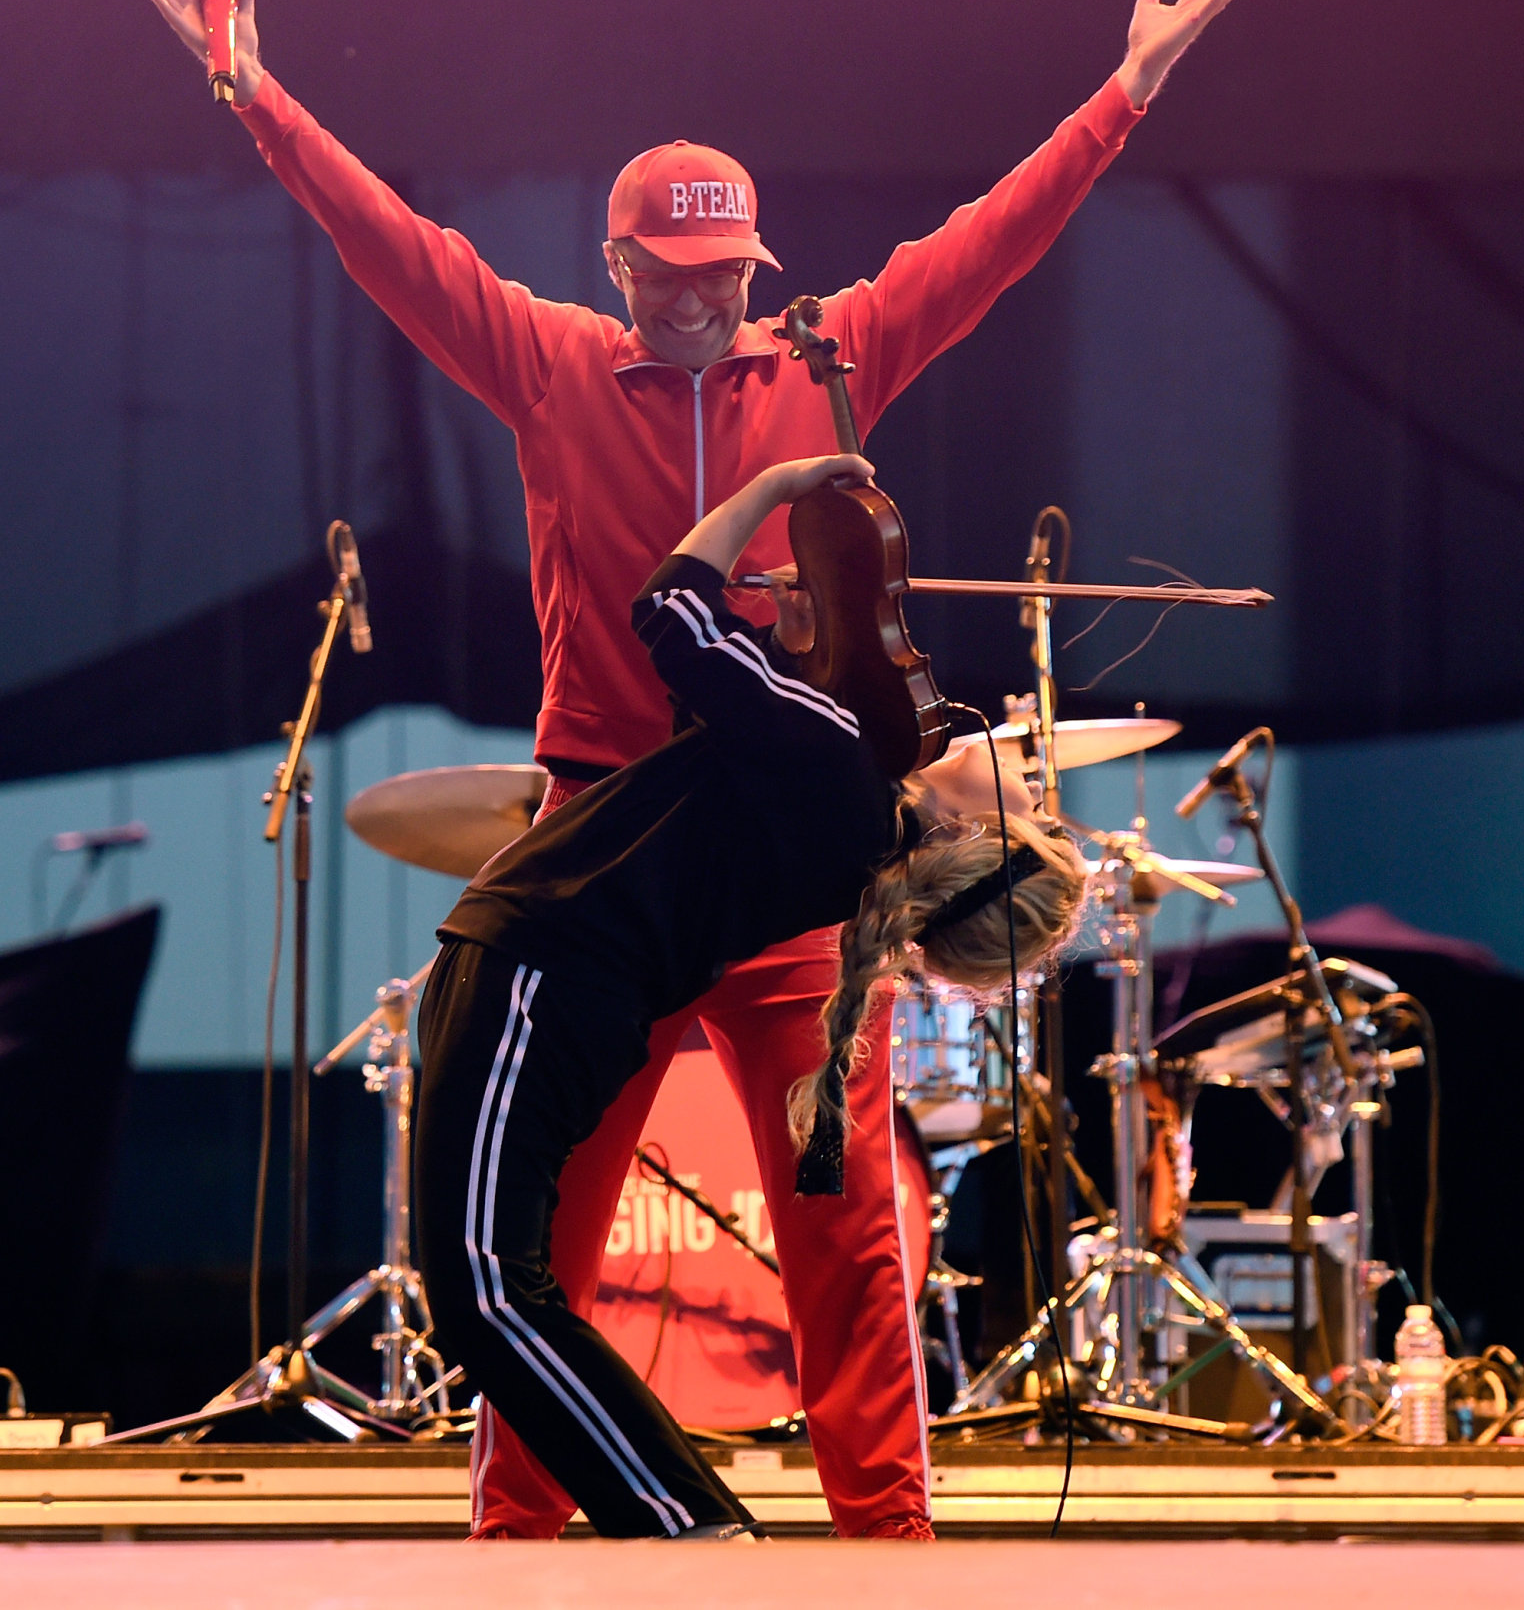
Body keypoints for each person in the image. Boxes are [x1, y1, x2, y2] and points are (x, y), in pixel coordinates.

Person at [142, 0, 1253, 1540]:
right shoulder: (543, 361)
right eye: (671, 283)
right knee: (544, 1235)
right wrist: (253, 92)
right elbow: (383, 240)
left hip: (790, 875)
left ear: (756, 264)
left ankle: (891, 1550)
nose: (702, 307)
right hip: (603, 858)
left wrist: (1127, 92)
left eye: (727, 278)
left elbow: (985, 247)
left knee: (848, 1232)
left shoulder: (830, 356)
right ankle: (518, 1545)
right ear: (616, 271)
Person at [414, 453, 1089, 1539]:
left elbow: (668, 607)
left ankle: (693, 1527)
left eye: (1015, 810)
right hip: (556, 985)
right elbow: (712, 726)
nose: (1009, 779)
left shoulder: (830, 762)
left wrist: (770, 490)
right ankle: (689, 1524)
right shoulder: (844, 828)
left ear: (977, 841)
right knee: (490, 1284)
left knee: (487, 1287)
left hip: (538, 969)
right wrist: (802, 631)